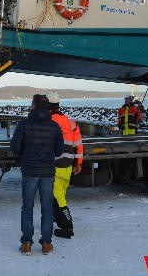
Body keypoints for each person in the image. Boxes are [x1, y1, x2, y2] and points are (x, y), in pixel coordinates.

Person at [10, 94, 64, 255]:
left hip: (30, 171)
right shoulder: (54, 126)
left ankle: (26, 243)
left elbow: (15, 148)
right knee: (47, 208)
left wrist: (25, 153)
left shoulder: (24, 125)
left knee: (27, 207)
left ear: (33, 105)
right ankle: (46, 243)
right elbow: (59, 151)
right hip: (47, 172)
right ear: (47, 107)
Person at [47, 91, 83, 239]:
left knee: (58, 198)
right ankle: (56, 217)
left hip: (54, 164)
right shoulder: (71, 122)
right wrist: (78, 163)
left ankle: (67, 227)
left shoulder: (48, 121)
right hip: (67, 165)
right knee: (60, 194)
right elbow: (78, 145)